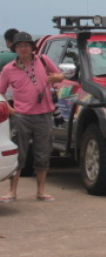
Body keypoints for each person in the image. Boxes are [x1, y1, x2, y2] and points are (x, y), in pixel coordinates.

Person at [0, 31, 64, 202]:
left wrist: (57, 77)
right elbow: (0, 92)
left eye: (26, 45)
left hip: (44, 115)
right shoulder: (8, 69)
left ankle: (41, 191)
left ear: (32, 47)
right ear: (15, 48)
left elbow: (60, 76)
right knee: (19, 155)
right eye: (19, 46)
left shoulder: (43, 60)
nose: (23, 48)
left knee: (43, 154)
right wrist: (11, 110)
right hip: (22, 117)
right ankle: (12, 191)